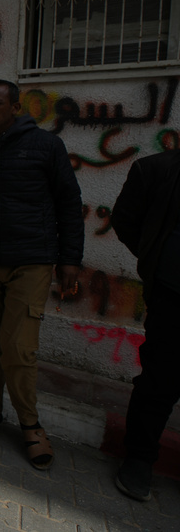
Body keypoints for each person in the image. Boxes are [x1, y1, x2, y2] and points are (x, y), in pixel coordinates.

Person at [0, 79, 83, 470]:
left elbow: (69, 203)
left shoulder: (45, 146)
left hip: (31, 261)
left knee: (19, 348)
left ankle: (30, 424)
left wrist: (69, 259)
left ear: (16, 107)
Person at [110, 150, 180, 501]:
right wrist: (160, 262)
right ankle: (139, 458)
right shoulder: (156, 169)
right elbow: (126, 220)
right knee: (160, 381)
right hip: (172, 297)